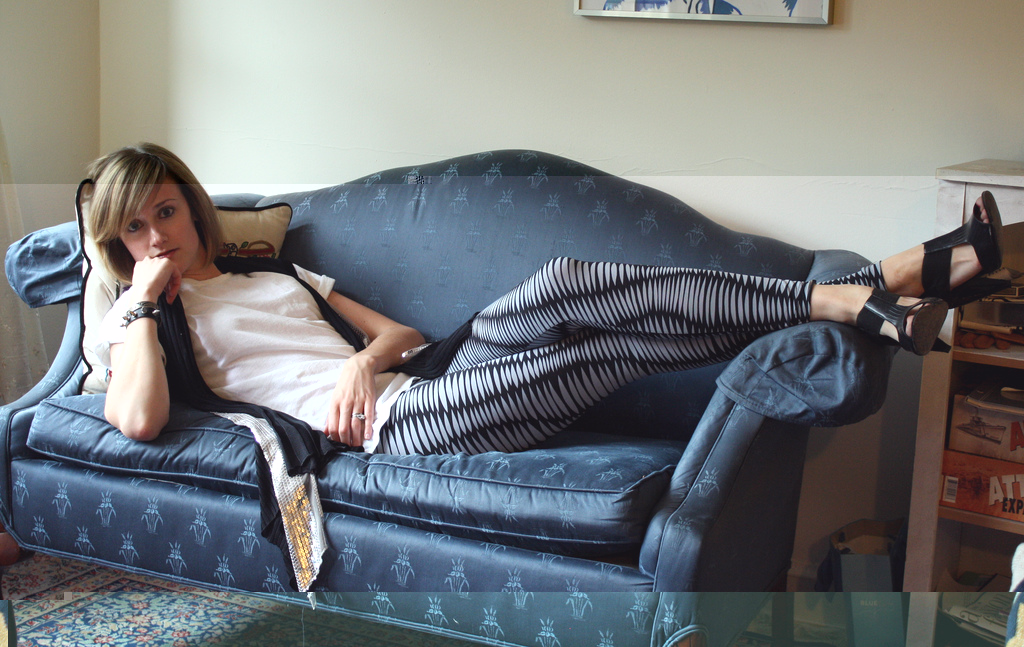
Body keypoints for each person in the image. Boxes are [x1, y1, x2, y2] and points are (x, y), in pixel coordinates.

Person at [87, 143, 1004, 457]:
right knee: (614, 347)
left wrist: (362, 361)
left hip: (427, 372)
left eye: (166, 211)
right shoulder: (144, 325)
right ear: (118, 244)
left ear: (193, 208)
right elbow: (137, 420)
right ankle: (879, 285)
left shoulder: (276, 274)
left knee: (569, 281)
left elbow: (402, 332)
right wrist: (144, 301)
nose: (157, 235)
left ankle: (863, 294)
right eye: (135, 227)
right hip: (398, 431)